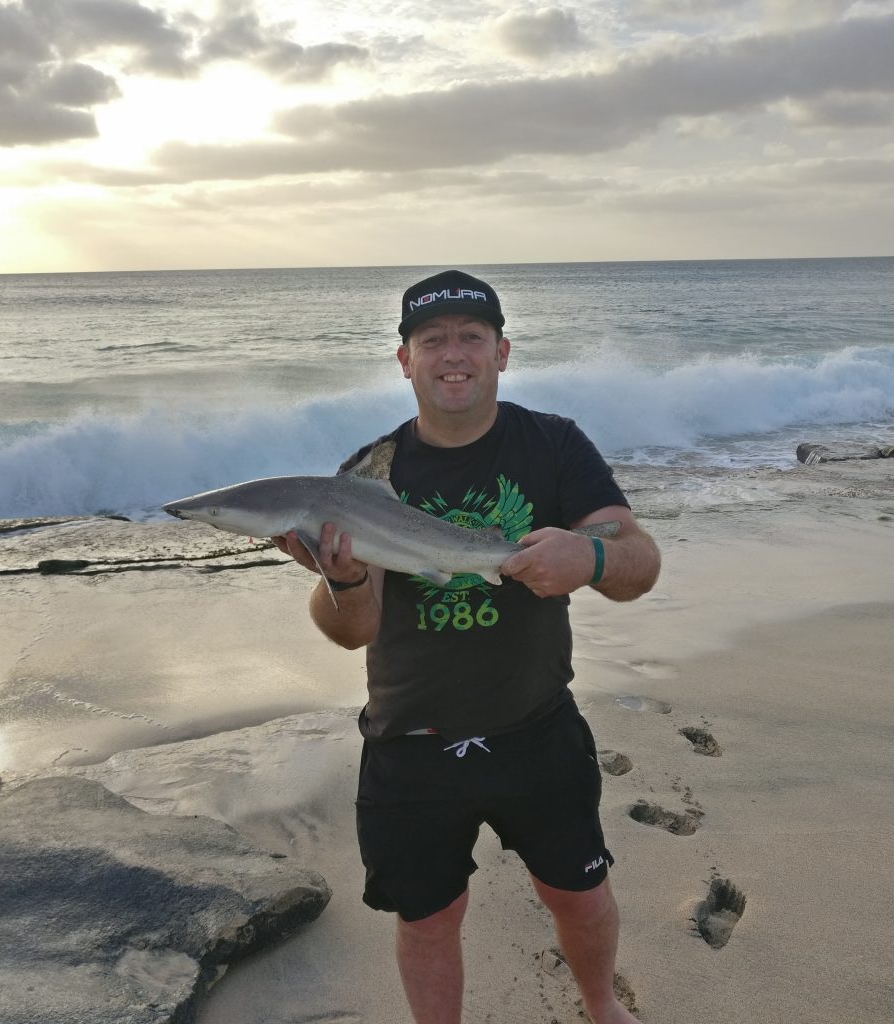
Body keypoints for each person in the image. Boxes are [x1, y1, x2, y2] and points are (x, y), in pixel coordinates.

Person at [274, 269, 661, 1024]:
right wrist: (346, 579)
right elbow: (351, 630)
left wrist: (592, 558)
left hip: (536, 729)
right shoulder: (365, 476)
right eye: (432, 340)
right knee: (426, 921)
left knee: (580, 896)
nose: (453, 354)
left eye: (471, 338)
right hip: (411, 741)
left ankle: (602, 1005)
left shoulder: (553, 445)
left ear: (503, 352)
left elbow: (638, 560)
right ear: (404, 360)